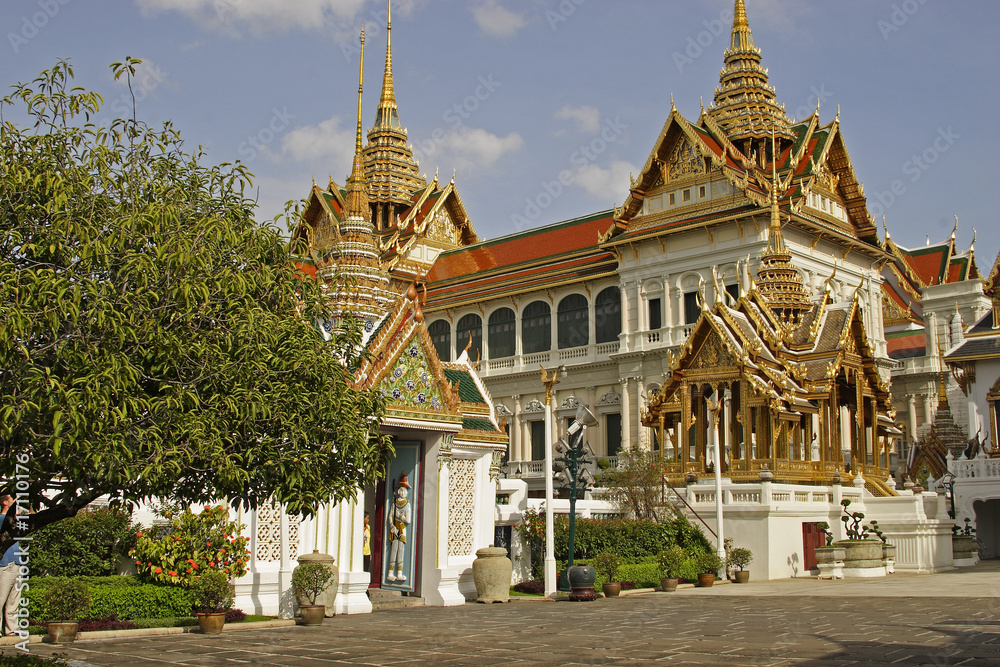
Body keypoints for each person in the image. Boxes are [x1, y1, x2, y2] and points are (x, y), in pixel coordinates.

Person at [0, 494, 21, 637]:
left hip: (16, 564)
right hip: (6, 565)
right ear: (4, 502)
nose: (14, 501)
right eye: (11, 499)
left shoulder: (13, 521)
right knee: (1, 599)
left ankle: (12, 628)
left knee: (14, 600)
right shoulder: (2, 520)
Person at [385, 474, 412, 583]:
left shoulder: (407, 504)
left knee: (401, 551)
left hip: (402, 528)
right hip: (395, 528)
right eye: (401, 490)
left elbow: (408, 520)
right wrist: (391, 526)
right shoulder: (395, 503)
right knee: (393, 550)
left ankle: (399, 573)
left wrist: (400, 516)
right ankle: (390, 573)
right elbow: (390, 516)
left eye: (404, 490)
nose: (402, 492)